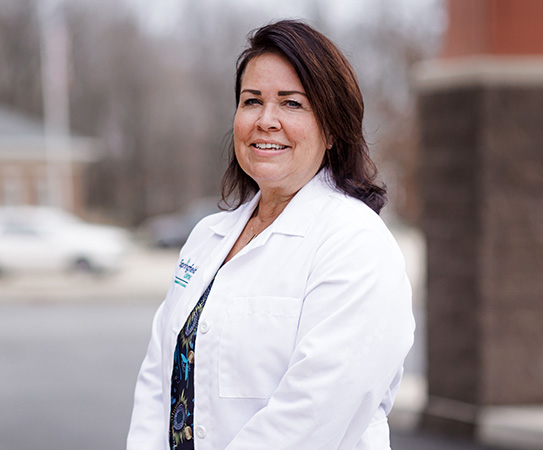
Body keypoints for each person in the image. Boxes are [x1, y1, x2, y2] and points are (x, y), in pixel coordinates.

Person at [127, 19, 414, 450]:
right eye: (252, 101)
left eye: (291, 103)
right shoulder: (208, 236)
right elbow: (158, 378)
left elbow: (312, 415)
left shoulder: (357, 244)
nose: (266, 120)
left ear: (332, 129)